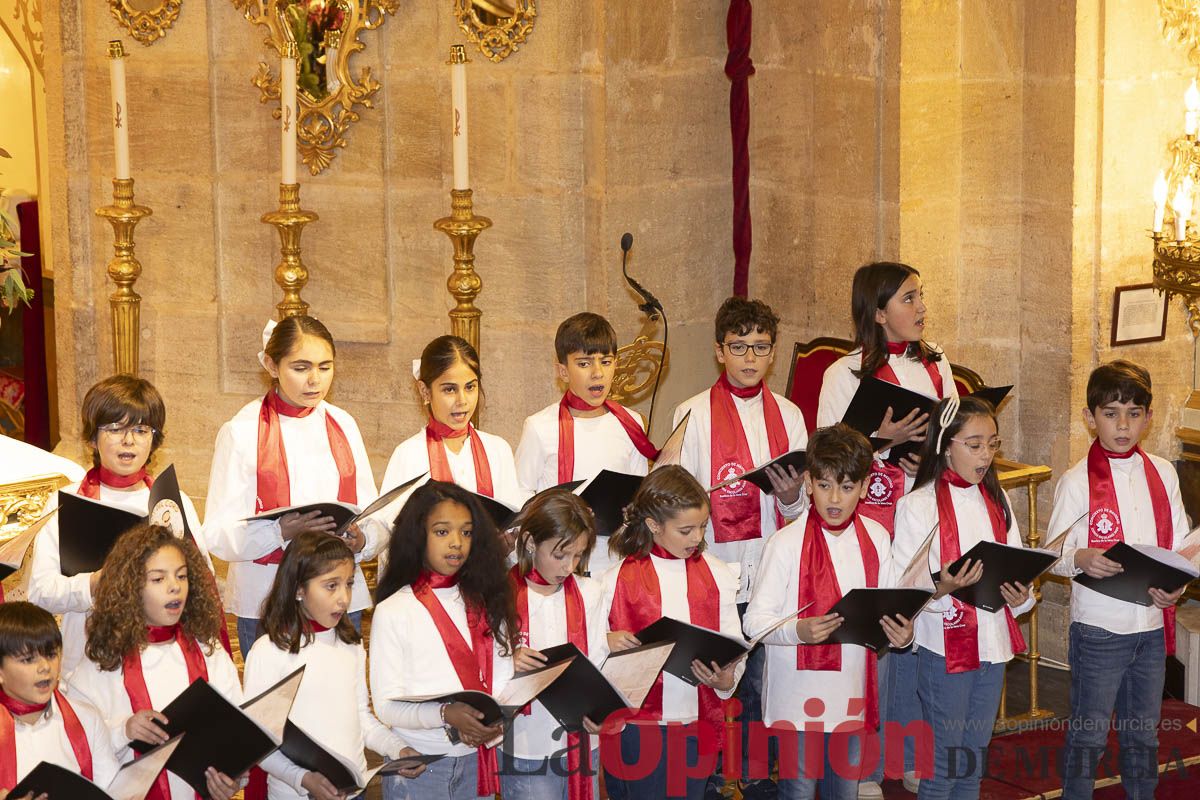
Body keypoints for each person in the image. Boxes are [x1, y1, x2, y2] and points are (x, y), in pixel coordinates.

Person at [671, 296, 808, 800]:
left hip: (770, 574)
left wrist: (792, 497)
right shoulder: (690, 415)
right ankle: (707, 781)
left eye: (761, 347)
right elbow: (674, 505)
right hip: (714, 571)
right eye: (739, 347)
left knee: (759, 688)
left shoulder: (790, 416)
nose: (750, 358)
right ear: (718, 350)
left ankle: (755, 779)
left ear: (772, 352)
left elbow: (799, 515)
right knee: (711, 683)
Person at [744, 424, 912, 800]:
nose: (834, 498)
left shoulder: (877, 538)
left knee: (844, 793)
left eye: (848, 487)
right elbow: (754, 622)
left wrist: (903, 634)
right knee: (799, 792)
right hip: (796, 695)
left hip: (850, 693)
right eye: (824, 485)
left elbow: (888, 610)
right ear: (807, 483)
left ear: (866, 487)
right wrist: (798, 631)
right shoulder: (784, 544)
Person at [204, 316, 386, 658]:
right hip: (268, 597)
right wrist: (279, 530)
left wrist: (362, 538)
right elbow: (216, 534)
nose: (315, 380)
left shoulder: (343, 424)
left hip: (339, 597)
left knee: (339, 701)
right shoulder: (241, 431)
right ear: (271, 365)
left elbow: (372, 511)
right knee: (275, 708)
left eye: (325, 366)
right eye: (301, 367)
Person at [1047, 360, 1188, 799]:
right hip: (1098, 631)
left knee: (1143, 738)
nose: (1122, 425)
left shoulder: (1164, 473)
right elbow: (1051, 556)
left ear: (1148, 417)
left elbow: (1181, 544)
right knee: (1088, 737)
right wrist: (1082, 557)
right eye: (1111, 413)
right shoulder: (1076, 482)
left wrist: (1178, 584)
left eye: (1133, 413)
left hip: (1149, 629)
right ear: (1091, 419)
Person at [891, 396, 1034, 800]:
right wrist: (944, 588)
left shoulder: (999, 501)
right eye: (974, 444)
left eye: (993, 443)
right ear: (945, 445)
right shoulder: (916, 506)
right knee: (943, 765)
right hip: (944, 646)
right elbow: (903, 589)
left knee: (972, 761)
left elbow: (1017, 568)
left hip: (993, 643)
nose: (986, 455)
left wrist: (1021, 594)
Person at [28, 375, 216, 672]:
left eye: (141, 430)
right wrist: (94, 582)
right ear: (92, 437)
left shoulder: (170, 502)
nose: (129, 440)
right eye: (115, 428)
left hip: (163, 656)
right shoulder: (65, 502)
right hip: (91, 658)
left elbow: (204, 579)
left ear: (155, 439)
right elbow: (40, 593)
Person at [244, 531, 425, 800]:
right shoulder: (269, 652)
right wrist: (302, 778)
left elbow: (361, 718)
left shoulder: (349, 645)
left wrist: (398, 749)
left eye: (349, 584)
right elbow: (259, 742)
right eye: (331, 585)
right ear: (298, 589)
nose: (344, 598)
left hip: (352, 792)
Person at [70, 524, 243, 800]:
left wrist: (231, 778)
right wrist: (124, 730)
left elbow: (235, 733)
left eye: (182, 576)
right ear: (130, 588)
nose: (175, 587)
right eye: (158, 579)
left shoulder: (208, 653)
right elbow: (78, 747)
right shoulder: (104, 663)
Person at [602, 466, 743, 800]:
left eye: (702, 527)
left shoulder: (718, 574)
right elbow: (590, 646)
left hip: (697, 719)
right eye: (685, 530)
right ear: (653, 526)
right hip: (637, 726)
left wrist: (727, 680)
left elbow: (733, 643)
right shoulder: (616, 578)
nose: (697, 537)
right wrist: (605, 642)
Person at [370, 481, 518, 800]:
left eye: (466, 532)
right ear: (417, 536)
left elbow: (504, 678)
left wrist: (495, 721)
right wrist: (445, 714)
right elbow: (385, 707)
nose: (456, 543)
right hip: (421, 766)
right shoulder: (394, 609)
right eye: (442, 532)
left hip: (477, 761)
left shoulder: (488, 599)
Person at [515, 312, 656, 578]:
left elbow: (639, 491)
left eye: (606, 361)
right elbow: (520, 497)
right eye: (584, 363)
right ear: (562, 371)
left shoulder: (631, 422)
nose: (597, 373)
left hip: (615, 561)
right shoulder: (539, 427)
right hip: (561, 561)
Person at [502, 490, 607, 799]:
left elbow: (600, 660)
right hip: (525, 743)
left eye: (578, 555)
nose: (569, 566)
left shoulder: (591, 592)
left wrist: (603, 711)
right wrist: (508, 660)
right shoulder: (499, 593)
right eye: (560, 555)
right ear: (531, 542)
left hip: (583, 738)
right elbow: (478, 668)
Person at [0, 602, 118, 795]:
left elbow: (113, 791)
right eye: (28, 659)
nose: (45, 666)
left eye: (52, 654)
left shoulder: (86, 718)